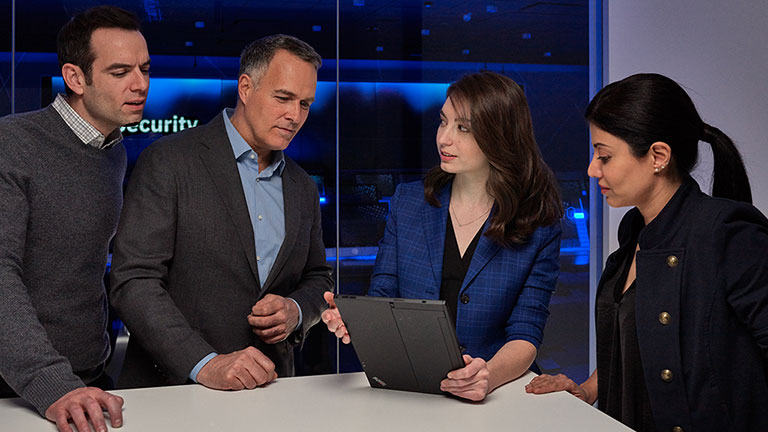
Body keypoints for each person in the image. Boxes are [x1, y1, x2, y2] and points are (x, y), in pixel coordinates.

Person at [525, 73, 768, 431]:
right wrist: (590, 388)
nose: (593, 170)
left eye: (604, 156)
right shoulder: (634, 230)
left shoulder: (726, 232)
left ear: (658, 156)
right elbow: (640, 340)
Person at [109, 34, 333, 391]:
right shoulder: (169, 160)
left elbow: (319, 278)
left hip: (271, 391)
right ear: (245, 87)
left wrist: (295, 310)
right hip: (173, 391)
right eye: (283, 97)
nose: (295, 115)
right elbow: (133, 282)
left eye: (305, 104)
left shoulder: (302, 186)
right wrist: (204, 364)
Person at [323, 71, 563, 401]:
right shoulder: (408, 203)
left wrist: (486, 377)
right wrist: (357, 319)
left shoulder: (539, 224)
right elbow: (383, 292)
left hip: (497, 396)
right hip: (409, 390)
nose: (444, 138)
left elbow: (526, 331)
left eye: (462, 127)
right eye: (443, 122)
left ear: (499, 136)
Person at [0, 5, 150, 432]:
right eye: (120, 72)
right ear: (75, 78)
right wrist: (50, 383)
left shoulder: (113, 152)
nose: (140, 84)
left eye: (144, 68)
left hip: (86, 380)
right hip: (22, 387)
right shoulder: (11, 144)